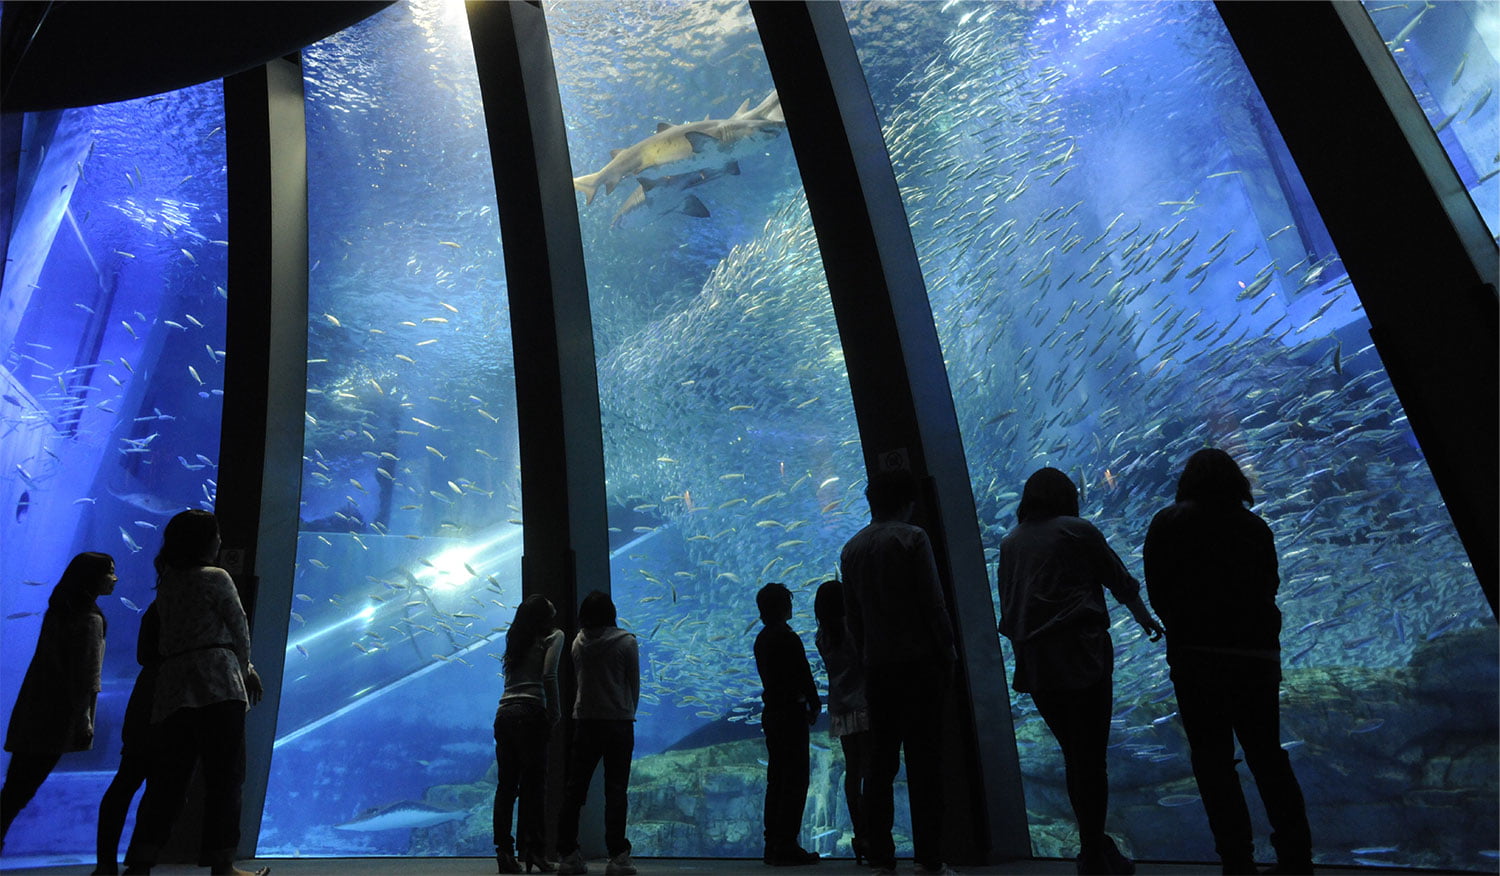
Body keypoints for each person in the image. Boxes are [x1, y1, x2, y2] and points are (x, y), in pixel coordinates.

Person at [1144, 448, 1313, 875]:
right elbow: (1268, 585)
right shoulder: (1254, 527)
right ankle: (1296, 856)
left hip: (1196, 660)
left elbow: (1158, 590)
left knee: (1212, 761)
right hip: (1255, 658)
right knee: (1268, 756)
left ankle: (1236, 860)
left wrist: (1188, 629)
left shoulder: (1166, 523)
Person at [996, 467, 1163, 875]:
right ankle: (1093, 851)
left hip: (1037, 667)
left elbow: (1010, 606)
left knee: (1075, 755)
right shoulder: (1078, 530)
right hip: (1081, 656)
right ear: (1065, 495)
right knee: (1091, 758)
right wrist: (1146, 619)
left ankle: (1093, 843)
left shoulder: (1010, 543)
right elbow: (1119, 581)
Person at [122, 509, 265, 876]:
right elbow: (239, 627)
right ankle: (223, 866)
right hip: (218, 682)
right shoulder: (216, 577)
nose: (220, 541)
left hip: (174, 689)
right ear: (207, 541)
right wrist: (246, 669)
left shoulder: (167, 580)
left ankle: (140, 863)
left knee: (167, 782)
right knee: (225, 778)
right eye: (216, 535)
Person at [839, 469, 954, 876]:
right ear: (907, 501)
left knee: (880, 764)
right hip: (920, 665)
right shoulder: (912, 538)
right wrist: (948, 651)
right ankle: (930, 856)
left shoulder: (851, 549)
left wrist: (868, 656)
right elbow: (933, 602)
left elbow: (852, 617)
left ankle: (881, 854)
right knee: (925, 762)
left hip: (878, 670)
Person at [1, 552, 115, 849]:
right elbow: (88, 675)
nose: (115, 578)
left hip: (34, 706)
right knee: (23, 787)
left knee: (15, 784)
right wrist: (85, 719)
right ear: (93, 578)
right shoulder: (90, 620)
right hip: (59, 715)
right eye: (110, 572)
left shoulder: (59, 612)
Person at [556, 590, 640, 876]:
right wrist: (627, 710)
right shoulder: (627, 642)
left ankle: (567, 853)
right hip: (618, 723)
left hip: (585, 721)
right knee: (616, 790)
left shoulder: (578, 642)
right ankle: (617, 855)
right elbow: (633, 684)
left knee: (575, 789)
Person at [494, 594, 564, 875]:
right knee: (535, 787)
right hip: (531, 712)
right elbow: (549, 675)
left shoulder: (515, 639)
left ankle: (504, 852)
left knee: (506, 787)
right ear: (545, 615)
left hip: (504, 713)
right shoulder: (554, 635)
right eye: (550, 605)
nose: (553, 606)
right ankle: (535, 851)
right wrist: (555, 712)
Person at [754, 582, 820, 867]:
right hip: (790, 715)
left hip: (771, 714)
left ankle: (773, 844)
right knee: (795, 779)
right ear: (783, 606)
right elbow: (803, 674)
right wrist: (814, 702)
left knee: (777, 779)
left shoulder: (762, 638)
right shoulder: (787, 637)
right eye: (788, 601)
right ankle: (788, 845)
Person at [94, 601, 160, 875]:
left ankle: (108, 863)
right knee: (153, 788)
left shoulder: (157, 607)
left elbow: (143, 655)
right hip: (160, 706)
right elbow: (145, 655)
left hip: (146, 704)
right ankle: (135, 864)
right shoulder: (167, 607)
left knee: (127, 783)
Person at [813, 580, 870, 865]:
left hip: (840, 708)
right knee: (872, 770)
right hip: (863, 704)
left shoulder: (821, 636)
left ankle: (861, 833)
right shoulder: (852, 631)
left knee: (853, 771)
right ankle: (873, 832)